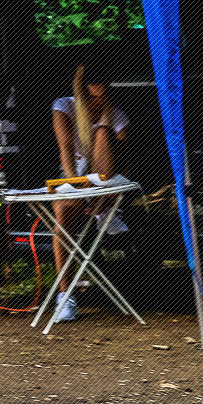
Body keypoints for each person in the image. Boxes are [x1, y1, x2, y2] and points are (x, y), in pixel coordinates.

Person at [51, 62, 129, 323]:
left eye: (101, 98)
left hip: (102, 180)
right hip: (73, 175)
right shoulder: (64, 106)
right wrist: (74, 185)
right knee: (63, 219)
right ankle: (66, 295)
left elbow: (124, 155)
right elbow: (65, 148)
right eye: (91, 98)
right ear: (80, 93)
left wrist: (105, 122)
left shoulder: (116, 115)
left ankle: (103, 207)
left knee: (103, 133)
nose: (95, 104)